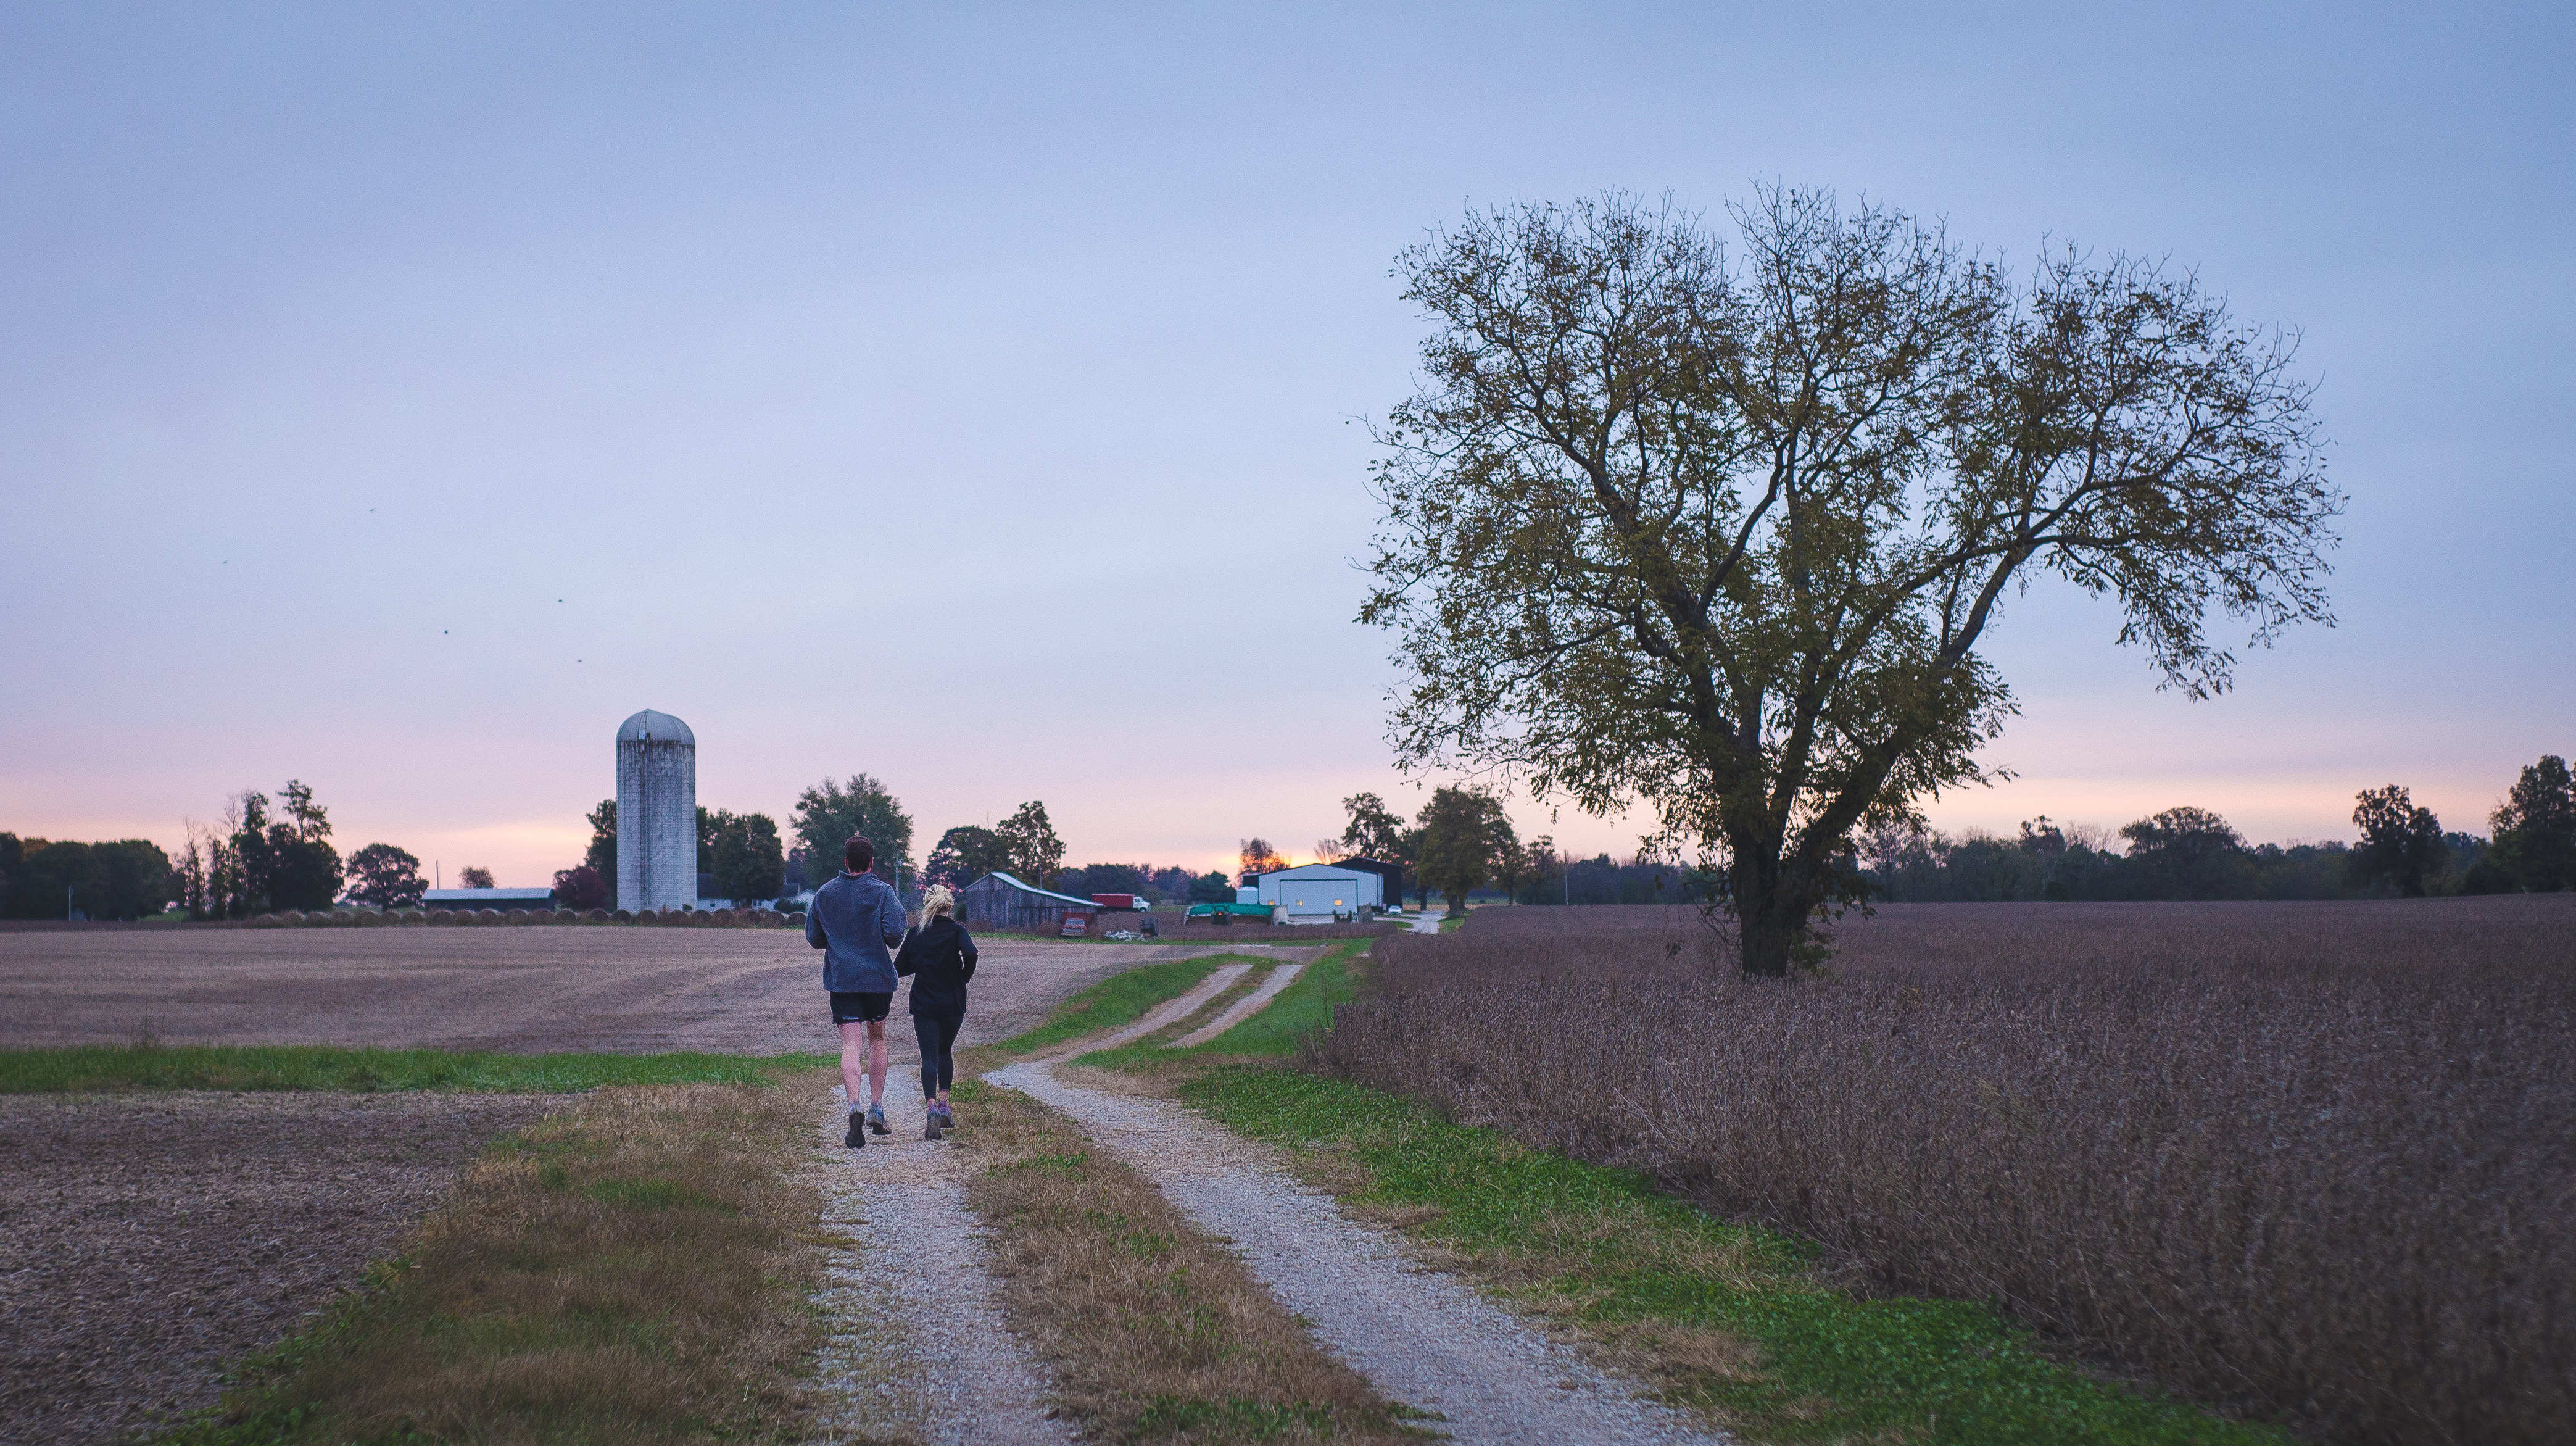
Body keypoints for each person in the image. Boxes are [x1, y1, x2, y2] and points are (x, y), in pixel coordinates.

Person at [806, 834, 908, 1148]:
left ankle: (854, 1107)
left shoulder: (825, 894)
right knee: (877, 1038)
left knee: (851, 1044)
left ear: (846, 861)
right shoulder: (883, 893)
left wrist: (838, 941)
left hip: (843, 981)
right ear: (872, 862)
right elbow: (894, 935)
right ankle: (877, 1107)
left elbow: (813, 938)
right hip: (877, 981)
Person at [894, 883, 976, 1139]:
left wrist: (921, 966)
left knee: (929, 1057)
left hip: (924, 1004)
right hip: (953, 1002)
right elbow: (972, 952)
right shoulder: (957, 931)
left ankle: (930, 1107)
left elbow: (899, 967)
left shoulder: (917, 932)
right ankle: (945, 1106)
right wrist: (964, 975)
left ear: (927, 905)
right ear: (949, 906)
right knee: (945, 1051)